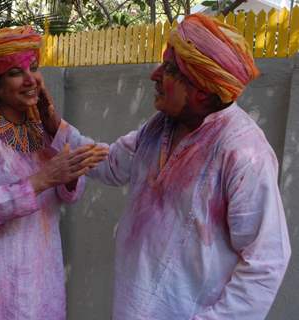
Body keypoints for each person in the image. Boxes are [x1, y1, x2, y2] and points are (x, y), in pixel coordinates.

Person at [38, 13, 291, 320]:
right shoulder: (159, 128)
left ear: (201, 88)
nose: (155, 74)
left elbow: (265, 262)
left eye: (170, 68)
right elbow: (113, 163)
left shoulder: (244, 152)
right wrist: (53, 124)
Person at [0, 26, 107, 319]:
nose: (31, 80)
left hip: (38, 273)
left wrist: (69, 172)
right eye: (16, 72)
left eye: (34, 68)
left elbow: (67, 194)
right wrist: (43, 179)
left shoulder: (42, 128)